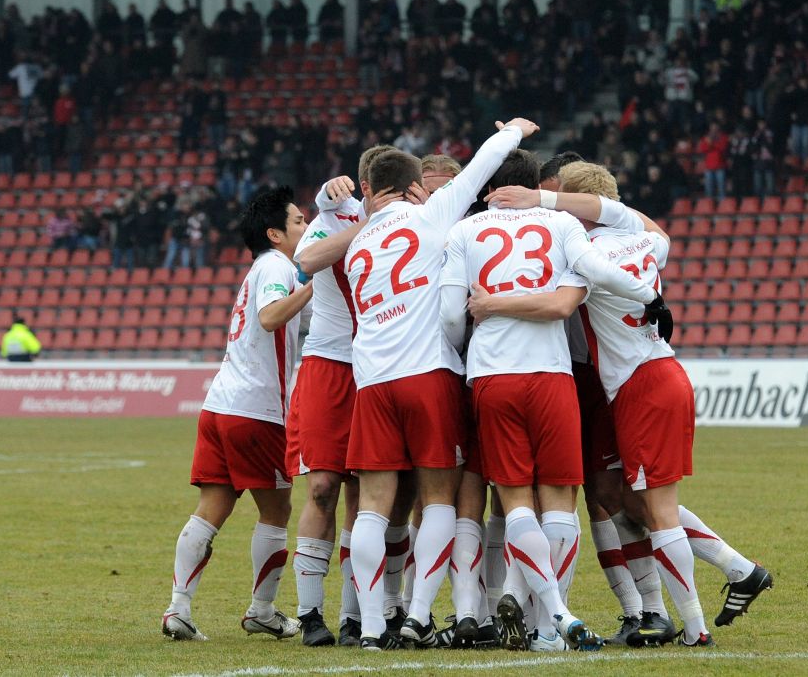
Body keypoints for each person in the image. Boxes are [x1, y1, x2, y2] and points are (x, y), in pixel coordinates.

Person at [474, 163, 773, 647]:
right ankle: (733, 573)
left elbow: (563, 300)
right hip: (665, 373)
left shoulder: (584, 251)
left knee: (655, 510)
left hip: (635, 386)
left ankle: (692, 627)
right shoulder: (649, 242)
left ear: (575, 205)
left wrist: (491, 304)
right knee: (637, 503)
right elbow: (643, 225)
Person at [441, 150, 671, 652]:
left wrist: (472, 332)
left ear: (492, 187)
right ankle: (550, 627)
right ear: (535, 184)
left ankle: (547, 613)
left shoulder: (465, 231)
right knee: (562, 498)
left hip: (491, 375)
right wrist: (649, 296)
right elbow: (593, 273)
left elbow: (451, 317)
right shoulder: (561, 224)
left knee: (514, 497)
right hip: (552, 375)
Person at [343, 119, 538, 651]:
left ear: (370, 189)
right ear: (412, 187)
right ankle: (420, 615)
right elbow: (478, 170)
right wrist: (513, 131)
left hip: (372, 382)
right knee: (438, 501)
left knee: (371, 507)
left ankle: (373, 626)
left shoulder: (357, 244)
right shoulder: (430, 215)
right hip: (427, 372)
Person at [161, 187, 313, 642]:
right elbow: (269, 318)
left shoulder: (261, 267)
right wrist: (310, 289)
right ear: (275, 233)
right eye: (299, 221)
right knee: (278, 509)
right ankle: (262, 610)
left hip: (219, 405)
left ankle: (178, 609)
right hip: (257, 411)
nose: (306, 228)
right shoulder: (277, 266)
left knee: (212, 507)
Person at [284, 145, 397, 648]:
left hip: (379, 367)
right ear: (362, 186)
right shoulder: (335, 215)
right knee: (323, 487)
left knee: (364, 495)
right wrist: (352, 217)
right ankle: (310, 614)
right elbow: (305, 262)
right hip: (330, 363)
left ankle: (355, 616)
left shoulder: (411, 221)